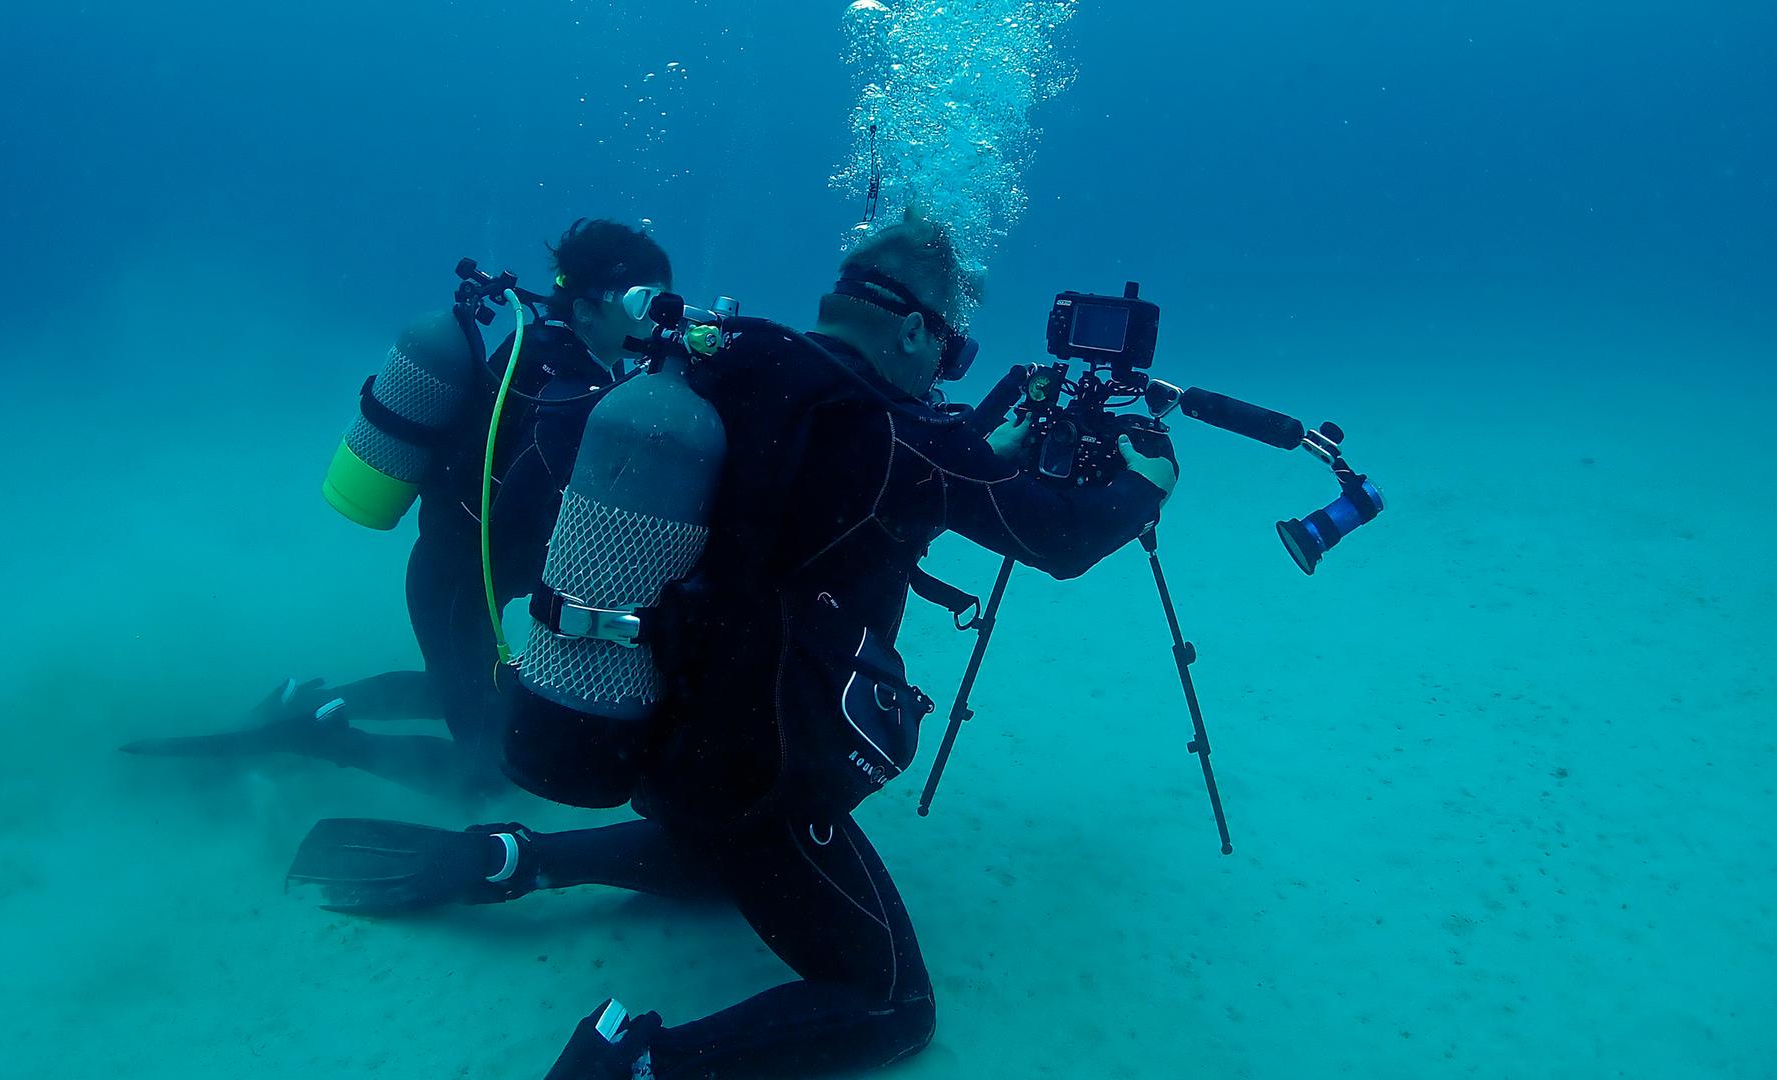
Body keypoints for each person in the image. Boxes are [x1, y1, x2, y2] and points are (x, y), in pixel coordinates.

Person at [286, 212, 1180, 1079]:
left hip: (644, 730)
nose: (946, 371)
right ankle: (637, 1063)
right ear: (912, 327)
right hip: (752, 774)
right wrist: (1145, 484)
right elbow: (1060, 539)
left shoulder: (726, 363)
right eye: (951, 350)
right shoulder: (898, 435)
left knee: (716, 867)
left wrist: (976, 450)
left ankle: (519, 856)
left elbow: (840, 491)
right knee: (893, 1007)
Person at [121, 220, 675, 799]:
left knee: (466, 685)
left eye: (664, 303)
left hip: (472, 570)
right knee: (489, 772)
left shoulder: (571, 361)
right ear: (586, 311)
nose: (658, 321)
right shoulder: (561, 387)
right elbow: (528, 503)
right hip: (457, 580)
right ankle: (323, 738)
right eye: (643, 304)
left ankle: (309, 702)